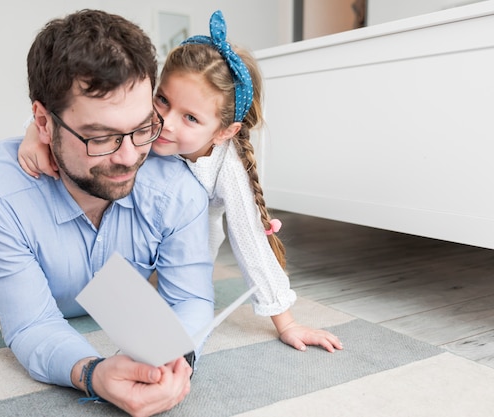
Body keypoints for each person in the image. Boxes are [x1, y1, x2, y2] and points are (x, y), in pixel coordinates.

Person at [18, 10, 343, 353]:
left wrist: (286, 322)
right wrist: (31, 135)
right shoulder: (142, 127)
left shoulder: (227, 170)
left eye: (190, 117)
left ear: (223, 132)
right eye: (163, 101)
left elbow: (250, 241)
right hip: (127, 232)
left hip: (181, 251)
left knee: (161, 312)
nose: (167, 122)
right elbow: (83, 115)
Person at [0, 10, 214, 416]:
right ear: (42, 121)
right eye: (101, 138)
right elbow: (31, 324)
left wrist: (176, 359)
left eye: (143, 127)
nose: (130, 157)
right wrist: (92, 373)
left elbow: (192, 297)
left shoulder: (176, 190)